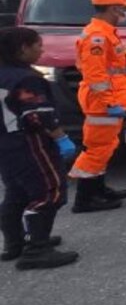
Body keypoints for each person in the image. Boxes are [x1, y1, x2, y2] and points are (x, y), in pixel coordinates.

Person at [0, 27, 80, 269]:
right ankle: (37, 249)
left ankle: (15, 243)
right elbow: (38, 116)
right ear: (23, 48)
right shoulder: (26, 79)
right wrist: (61, 138)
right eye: (38, 45)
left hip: (5, 143)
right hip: (29, 143)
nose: (41, 50)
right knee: (48, 191)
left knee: (16, 192)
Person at [69, 0, 126, 212]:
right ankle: (85, 199)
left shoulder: (106, 33)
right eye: (124, 9)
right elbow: (95, 75)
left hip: (108, 101)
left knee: (106, 146)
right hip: (102, 103)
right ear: (113, 9)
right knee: (97, 149)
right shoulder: (96, 36)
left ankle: (98, 189)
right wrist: (109, 102)